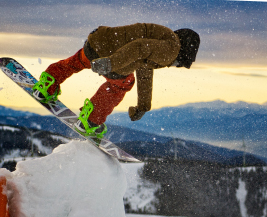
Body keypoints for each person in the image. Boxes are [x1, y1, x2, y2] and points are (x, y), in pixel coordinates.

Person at [32, 23, 200, 138]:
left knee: (78, 61)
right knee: (123, 83)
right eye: (179, 63)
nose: (175, 65)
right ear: (185, 51)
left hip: (96, 41)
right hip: (110, 56)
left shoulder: (163, 39)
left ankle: (47, 84)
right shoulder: (172, 48)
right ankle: (90, 120)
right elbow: (140, 48)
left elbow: (144, 70)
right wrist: (111, 62)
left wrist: (143, 106)